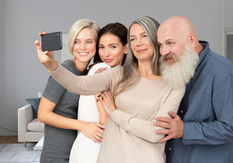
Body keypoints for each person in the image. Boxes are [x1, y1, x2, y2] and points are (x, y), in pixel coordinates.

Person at [36, 16, 190, 163]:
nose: (138, 43)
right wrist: (51, 65)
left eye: (144, 36)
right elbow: (77, 84)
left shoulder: (174, 84)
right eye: (133, 38)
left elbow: (155, 132)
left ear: (156, 40)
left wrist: (114, 113)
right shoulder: (116, 74)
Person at [154, 16, 233, 163]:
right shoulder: (171, 68)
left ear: (191, 40)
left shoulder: (222, 71)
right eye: (161, 44)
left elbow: (230, 127)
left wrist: (185, 130)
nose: (164, 51)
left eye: (170, 43)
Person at [37, 19, 105, 163]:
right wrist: (83, 125)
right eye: (77, 41)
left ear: (97, 44)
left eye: (89, 41)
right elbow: (42, 114)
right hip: (56, 155)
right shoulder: (65, 70)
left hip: (76, 153)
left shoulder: (88, 74)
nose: (82, 47)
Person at [69, 22, 128, 163]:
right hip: (95, 149)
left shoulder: (113, 72)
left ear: (125, 48)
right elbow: (105, 122)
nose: (106, 53)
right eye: (101, 47)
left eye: (112, 47)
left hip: (89, 147)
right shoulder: (101, 70)